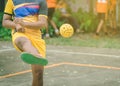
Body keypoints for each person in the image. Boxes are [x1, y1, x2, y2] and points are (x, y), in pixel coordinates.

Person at [2, 0, 48, 86]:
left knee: (38, 74)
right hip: (20, 33)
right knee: (22, 41)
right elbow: (5, 21)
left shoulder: (41, 1)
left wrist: (24, 24)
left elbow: (43, 23)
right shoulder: (11, 1)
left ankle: (34, 54)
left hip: (36, 36)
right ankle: (34, 54)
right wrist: (16, 25)